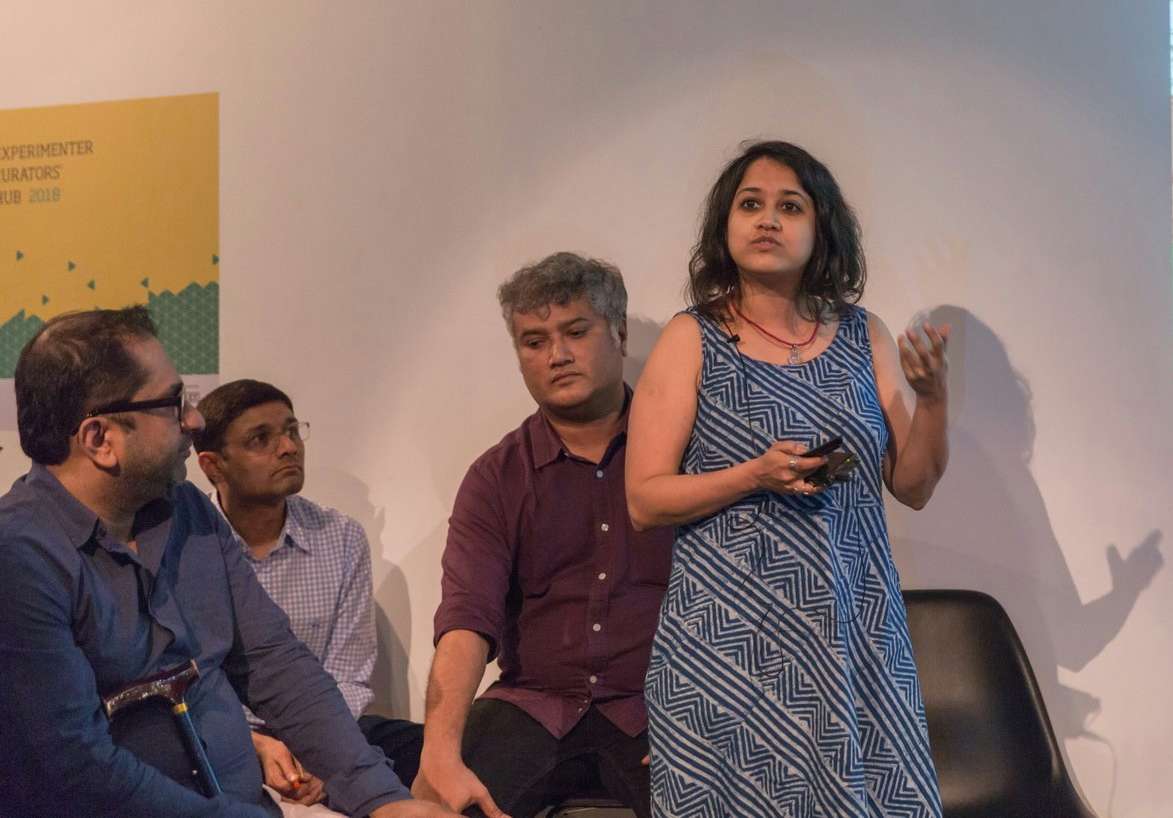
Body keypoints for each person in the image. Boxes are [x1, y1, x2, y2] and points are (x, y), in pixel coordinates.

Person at [0, 306, 456, 818]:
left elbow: (275, 663)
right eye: (174, 403)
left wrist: (384, 800)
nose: (194, 421)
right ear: (100, 440)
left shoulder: (189, 511)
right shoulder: (20, 558)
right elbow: (76, 767)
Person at [625, 140, 950, 816]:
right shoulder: (692, 337)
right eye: (751, 205)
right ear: (726, 225)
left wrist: (935, 401)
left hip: (853, 633)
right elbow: (644, 500)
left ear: (820, 229)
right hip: (727, 648)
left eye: (789, 206)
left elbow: (913, 485)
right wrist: (754, 475)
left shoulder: (866, 335)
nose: (767, 220)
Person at [414, 253, 674, 818]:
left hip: (658, 709)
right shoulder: (495, 477)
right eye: (534, 342)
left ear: (620, 333)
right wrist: (438, 753)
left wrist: (704, 715)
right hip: (532, 707)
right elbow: (466, 619)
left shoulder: (686, 456)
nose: (556, 355)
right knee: (439, 808)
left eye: (575, 332)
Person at [193, 379, 426, 805]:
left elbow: (350, 673)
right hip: (224, 740)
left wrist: (322, 758)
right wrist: (252, 745)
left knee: (436, 748)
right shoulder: (186, 546)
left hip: (323, 728)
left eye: (292, 430)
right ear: (213, 465)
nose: (288, 447)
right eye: (261, 439)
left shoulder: (340, 537)